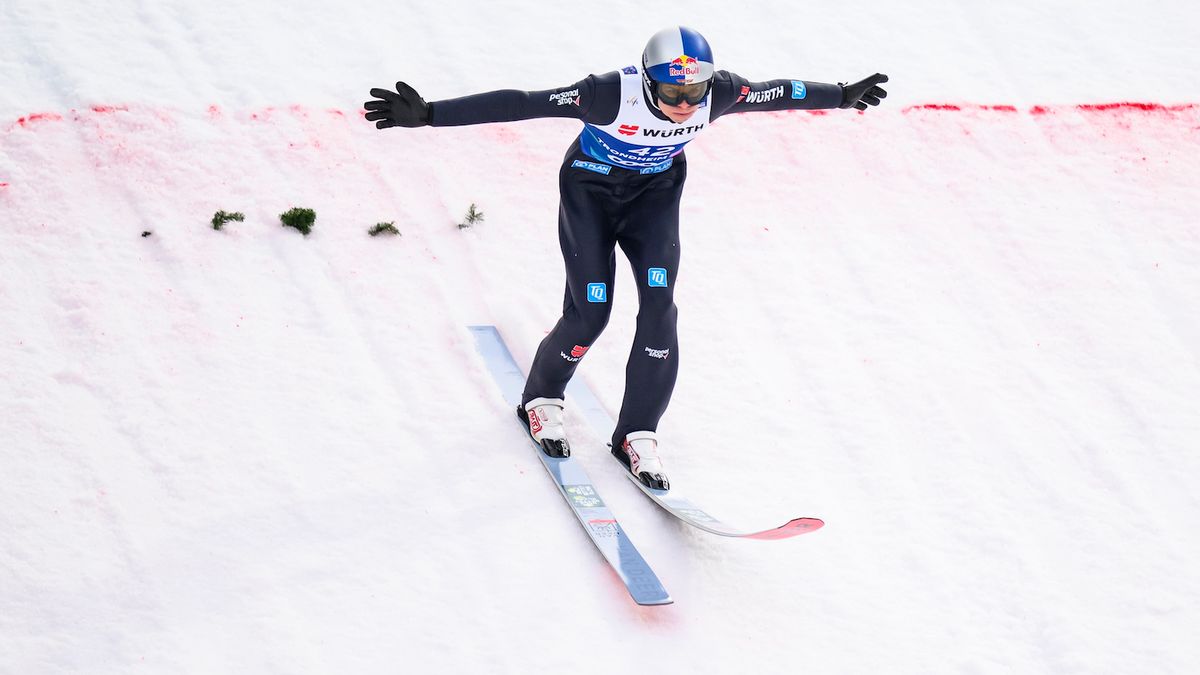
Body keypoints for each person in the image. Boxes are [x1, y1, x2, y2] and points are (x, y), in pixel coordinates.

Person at [365, 26, 887, 491]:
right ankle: (542, 398)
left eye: (694, 91)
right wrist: (431, 115)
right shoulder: (607, 94)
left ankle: (638, 432)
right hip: (590, 194)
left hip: (653, 199)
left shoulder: (720, 91)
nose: (685, 104)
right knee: (592, 311)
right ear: (645, 81)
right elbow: (523, 102)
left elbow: (780, 93)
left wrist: (842, 96)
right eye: (672, 91)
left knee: (661, 308)